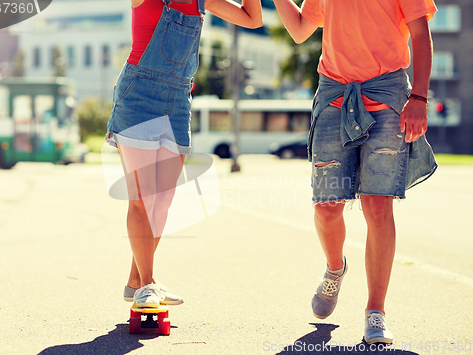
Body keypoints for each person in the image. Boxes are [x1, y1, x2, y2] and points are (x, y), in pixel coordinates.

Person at [272, 0, 437, 344]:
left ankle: (375, 312)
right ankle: (335, 268)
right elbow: (302, 29)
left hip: (388, 96)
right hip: (334, 95)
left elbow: (421, 34)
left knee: (378, 205)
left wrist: (419, 97)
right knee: (326, 206)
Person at [105, 0, 262, 308]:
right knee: (142, 197)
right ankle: (148, 284)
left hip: (178, 101)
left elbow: (253, 18)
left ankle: (136, 281)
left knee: (162, 201)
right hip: (138, 95)